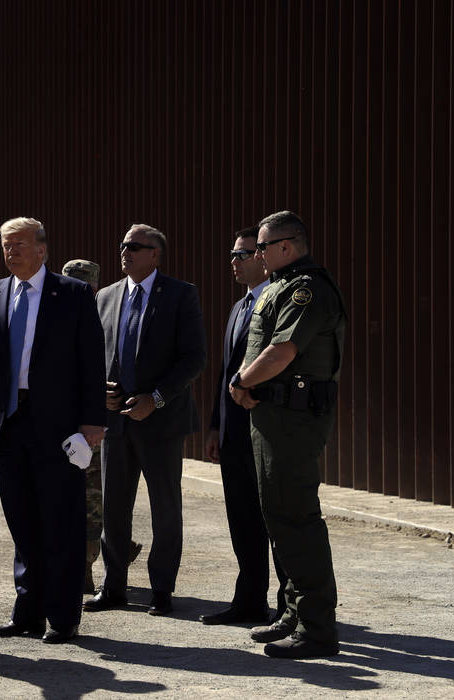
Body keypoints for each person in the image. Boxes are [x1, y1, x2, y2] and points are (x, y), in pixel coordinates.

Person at [0, 217, 106, 644]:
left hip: (59, 426)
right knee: (21, 521)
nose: (12, 252)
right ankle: (28, 613)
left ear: (42, 249)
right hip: (7, 423)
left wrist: (93, 420)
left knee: (60, 519)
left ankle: (63, 617)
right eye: (6, 245)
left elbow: (91, 360)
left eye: (20, 244)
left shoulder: (73, 294)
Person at [229, 210, 345, 659]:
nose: (256, 254)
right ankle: (295, 612)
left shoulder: (306, 289)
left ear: (287, 245)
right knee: (278, 515)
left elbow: (283, 351)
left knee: (297, 518)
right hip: (271, 415)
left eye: (261, 246)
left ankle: (317, 629)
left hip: (295, 418)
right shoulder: (279, 284)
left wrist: (243, 382)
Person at [84, 224, 206, 616]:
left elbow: (193, 358)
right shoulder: (105, 297)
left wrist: (155, 399)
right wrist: (96, 392)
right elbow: (91, 354)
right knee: (114, 508)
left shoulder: (180, 295)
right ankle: (113, 587)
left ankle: (162, 589)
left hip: (161, 422)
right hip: (116, 423)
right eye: (122, 245)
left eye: (135, 247)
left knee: (164, 508)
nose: (125, 252)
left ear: (155, 254)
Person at [201, 226, 288, 626]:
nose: (234, 262)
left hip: (267, 428)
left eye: (243, 254)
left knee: (278, 519)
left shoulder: (279, 301)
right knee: (243, 519)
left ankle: (291, 608)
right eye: (233, 255)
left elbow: (281, 358)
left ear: (264, 255)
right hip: (235, 434)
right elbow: (226, 373)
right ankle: (249, 600)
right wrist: (217, 427)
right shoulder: (239, 307)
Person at [61, 258, 143, 594]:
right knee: (74, 498)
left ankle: (85, 567)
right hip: (64, 426)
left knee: (93, 499)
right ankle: (84, 561)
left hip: (93, 428)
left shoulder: (105, 318)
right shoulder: (56, 320)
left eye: (85, 287)